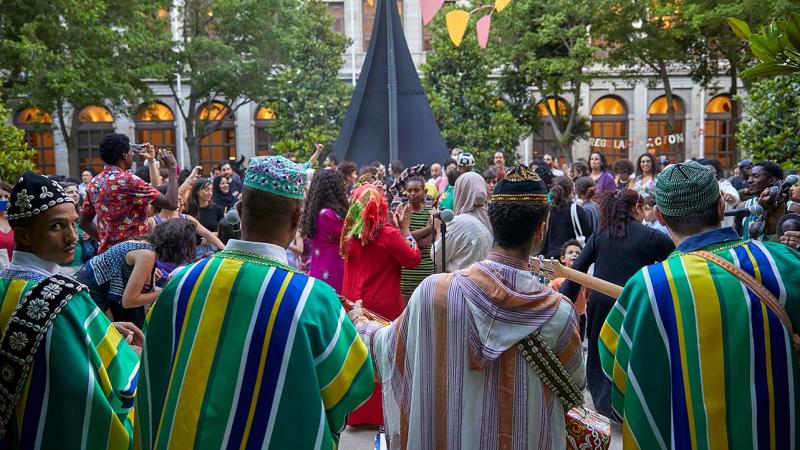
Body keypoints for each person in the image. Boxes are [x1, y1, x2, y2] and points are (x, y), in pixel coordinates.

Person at [135, 156, 373, 449]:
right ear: (297, 218)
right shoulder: (312, 299)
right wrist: (351, 326)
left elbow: (154, 376)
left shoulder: (179, 284)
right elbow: (352, 386)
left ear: (238, 210)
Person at [350, 165, 585, 448]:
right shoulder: (559, 313)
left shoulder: (434, 293)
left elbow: (385, 350)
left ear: (494, 223)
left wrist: (359, 322)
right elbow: (574, 387)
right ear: (540, 229)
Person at [598, 161, 800, 448]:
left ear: (660, 217)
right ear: (721, 207)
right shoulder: (781, 262)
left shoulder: (650, 287)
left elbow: (617, 367)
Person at [0, 171, 139, 449]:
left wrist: (104, 328)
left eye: (74, 224)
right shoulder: (68, 298)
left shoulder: (5, 285)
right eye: (56, 227)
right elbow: (120, 380)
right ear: (24, 234)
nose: (72, 236)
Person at [561, 188, 674, 417]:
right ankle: (629, 405)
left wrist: (563, 301)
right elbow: (678, 265)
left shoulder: (600, 234)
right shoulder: (651, 236)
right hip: (635, 303)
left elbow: (578, 269)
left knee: (600, 351)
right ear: (635, 208)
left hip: (601, 303)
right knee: (632, 353)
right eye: (642, 207)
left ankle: (604, 403)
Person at [340, 185, 421, 426]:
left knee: (358, 358)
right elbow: (413, 258)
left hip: (354, 303)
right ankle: (381, 415)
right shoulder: (387, 234)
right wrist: (405, 229)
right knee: (385, 359)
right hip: (383, 306)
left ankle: (358, 415)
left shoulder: (350, 235)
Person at [76, 218, 196, 328]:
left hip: (91, 285)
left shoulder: (143, 244)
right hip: (90, 289)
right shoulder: (147, 254)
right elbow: (129, 301)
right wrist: (165, 292)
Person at [81, 134, 178, 253]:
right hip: (134, 255)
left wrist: (105, 240)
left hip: (107, 255)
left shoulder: (94, 183)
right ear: (124, 155)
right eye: (131, 152)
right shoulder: (129, 180)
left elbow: (83, 222)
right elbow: (171, 203)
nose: (132, 155)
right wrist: (173, 168)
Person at [431, 172, 493, 273]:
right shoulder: (489, 219)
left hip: (459, 285)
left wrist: (438, 229)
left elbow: (437, 256)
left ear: (461, 191)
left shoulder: (457, 223)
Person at [301, 168, 349, 293]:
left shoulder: (320, 212)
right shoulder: (328, 215)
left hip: (322, 268)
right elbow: (352, 233)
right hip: (331, 270)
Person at [147, 184, 225, 251]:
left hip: (186, 264)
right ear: (163, 199)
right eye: (175, 196)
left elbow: (207, 234)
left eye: (179, 195)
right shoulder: (152, 221)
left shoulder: (187, 218)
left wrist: (225, 250)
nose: (179, 198)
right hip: (161, 266)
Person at [541, 176, 593, 258]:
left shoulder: (547, 210)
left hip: (550, 259)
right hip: (571, 259)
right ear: (570, 191)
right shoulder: (576, 209)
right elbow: (588, 236)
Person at [400, 177, 435, 299]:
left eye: (416, 190)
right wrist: (429, 228)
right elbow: (402, 240)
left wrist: (408, 233)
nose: (412, 194)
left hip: (426, 271)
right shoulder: (402, 212)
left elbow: (425, 243)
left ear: (424, 192)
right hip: (407, 273)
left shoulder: (431, 212)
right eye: (409, 190)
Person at [549, 239, 588, 338]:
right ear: (562, 258)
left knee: (579, 341)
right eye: (570, 252)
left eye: (578, 253)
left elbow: (588, 293)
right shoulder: (557, 279)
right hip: (563, 316)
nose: (574, 255)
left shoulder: (585, 277)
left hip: (580, 315)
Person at [740, 161, 784, 240]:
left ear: (772, 180)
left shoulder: (788, 207)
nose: (749, 180)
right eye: (749, 176)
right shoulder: (743, 206)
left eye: (755, 176)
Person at [700, 157, 740, 228]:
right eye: (705, 171)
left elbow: (735, 199)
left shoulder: (723, 184)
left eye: (712, 171)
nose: (708, 174)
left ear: (716, 173)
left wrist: (728, 197)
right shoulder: (697, 187)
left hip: (724, 227)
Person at [0, 180, 13, 266]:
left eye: (6, 196)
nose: (3, 200)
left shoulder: (18, 221)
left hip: (19, 276)